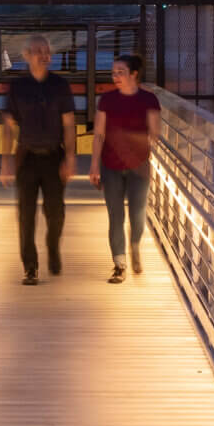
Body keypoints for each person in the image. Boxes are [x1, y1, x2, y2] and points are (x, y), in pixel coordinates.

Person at [0, 36, 81, 284]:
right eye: (37, 51)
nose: (43, 55)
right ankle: (30, 267)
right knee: (25, 214)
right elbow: (8, 124)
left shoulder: (59, 85)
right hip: (27, 156)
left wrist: (70, 156)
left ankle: (53, 246)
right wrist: (5, 159)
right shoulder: (18, 87)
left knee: (55, 212)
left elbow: (69, 124)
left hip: (54, 155)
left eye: (46, 51)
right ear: (26, 56)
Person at [91, 53, 161, 282]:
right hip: (111, 164)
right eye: (113, 72)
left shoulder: (149, 100)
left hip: (139, 165)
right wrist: (94, 165)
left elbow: (155, 133)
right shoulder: (107, 100)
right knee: (115, 215)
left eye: (121, 72)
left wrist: (129, 137)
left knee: (137, 214)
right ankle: (119, 264)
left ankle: (135, 244)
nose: (116, 76)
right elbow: (99, 134)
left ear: (134, 74)